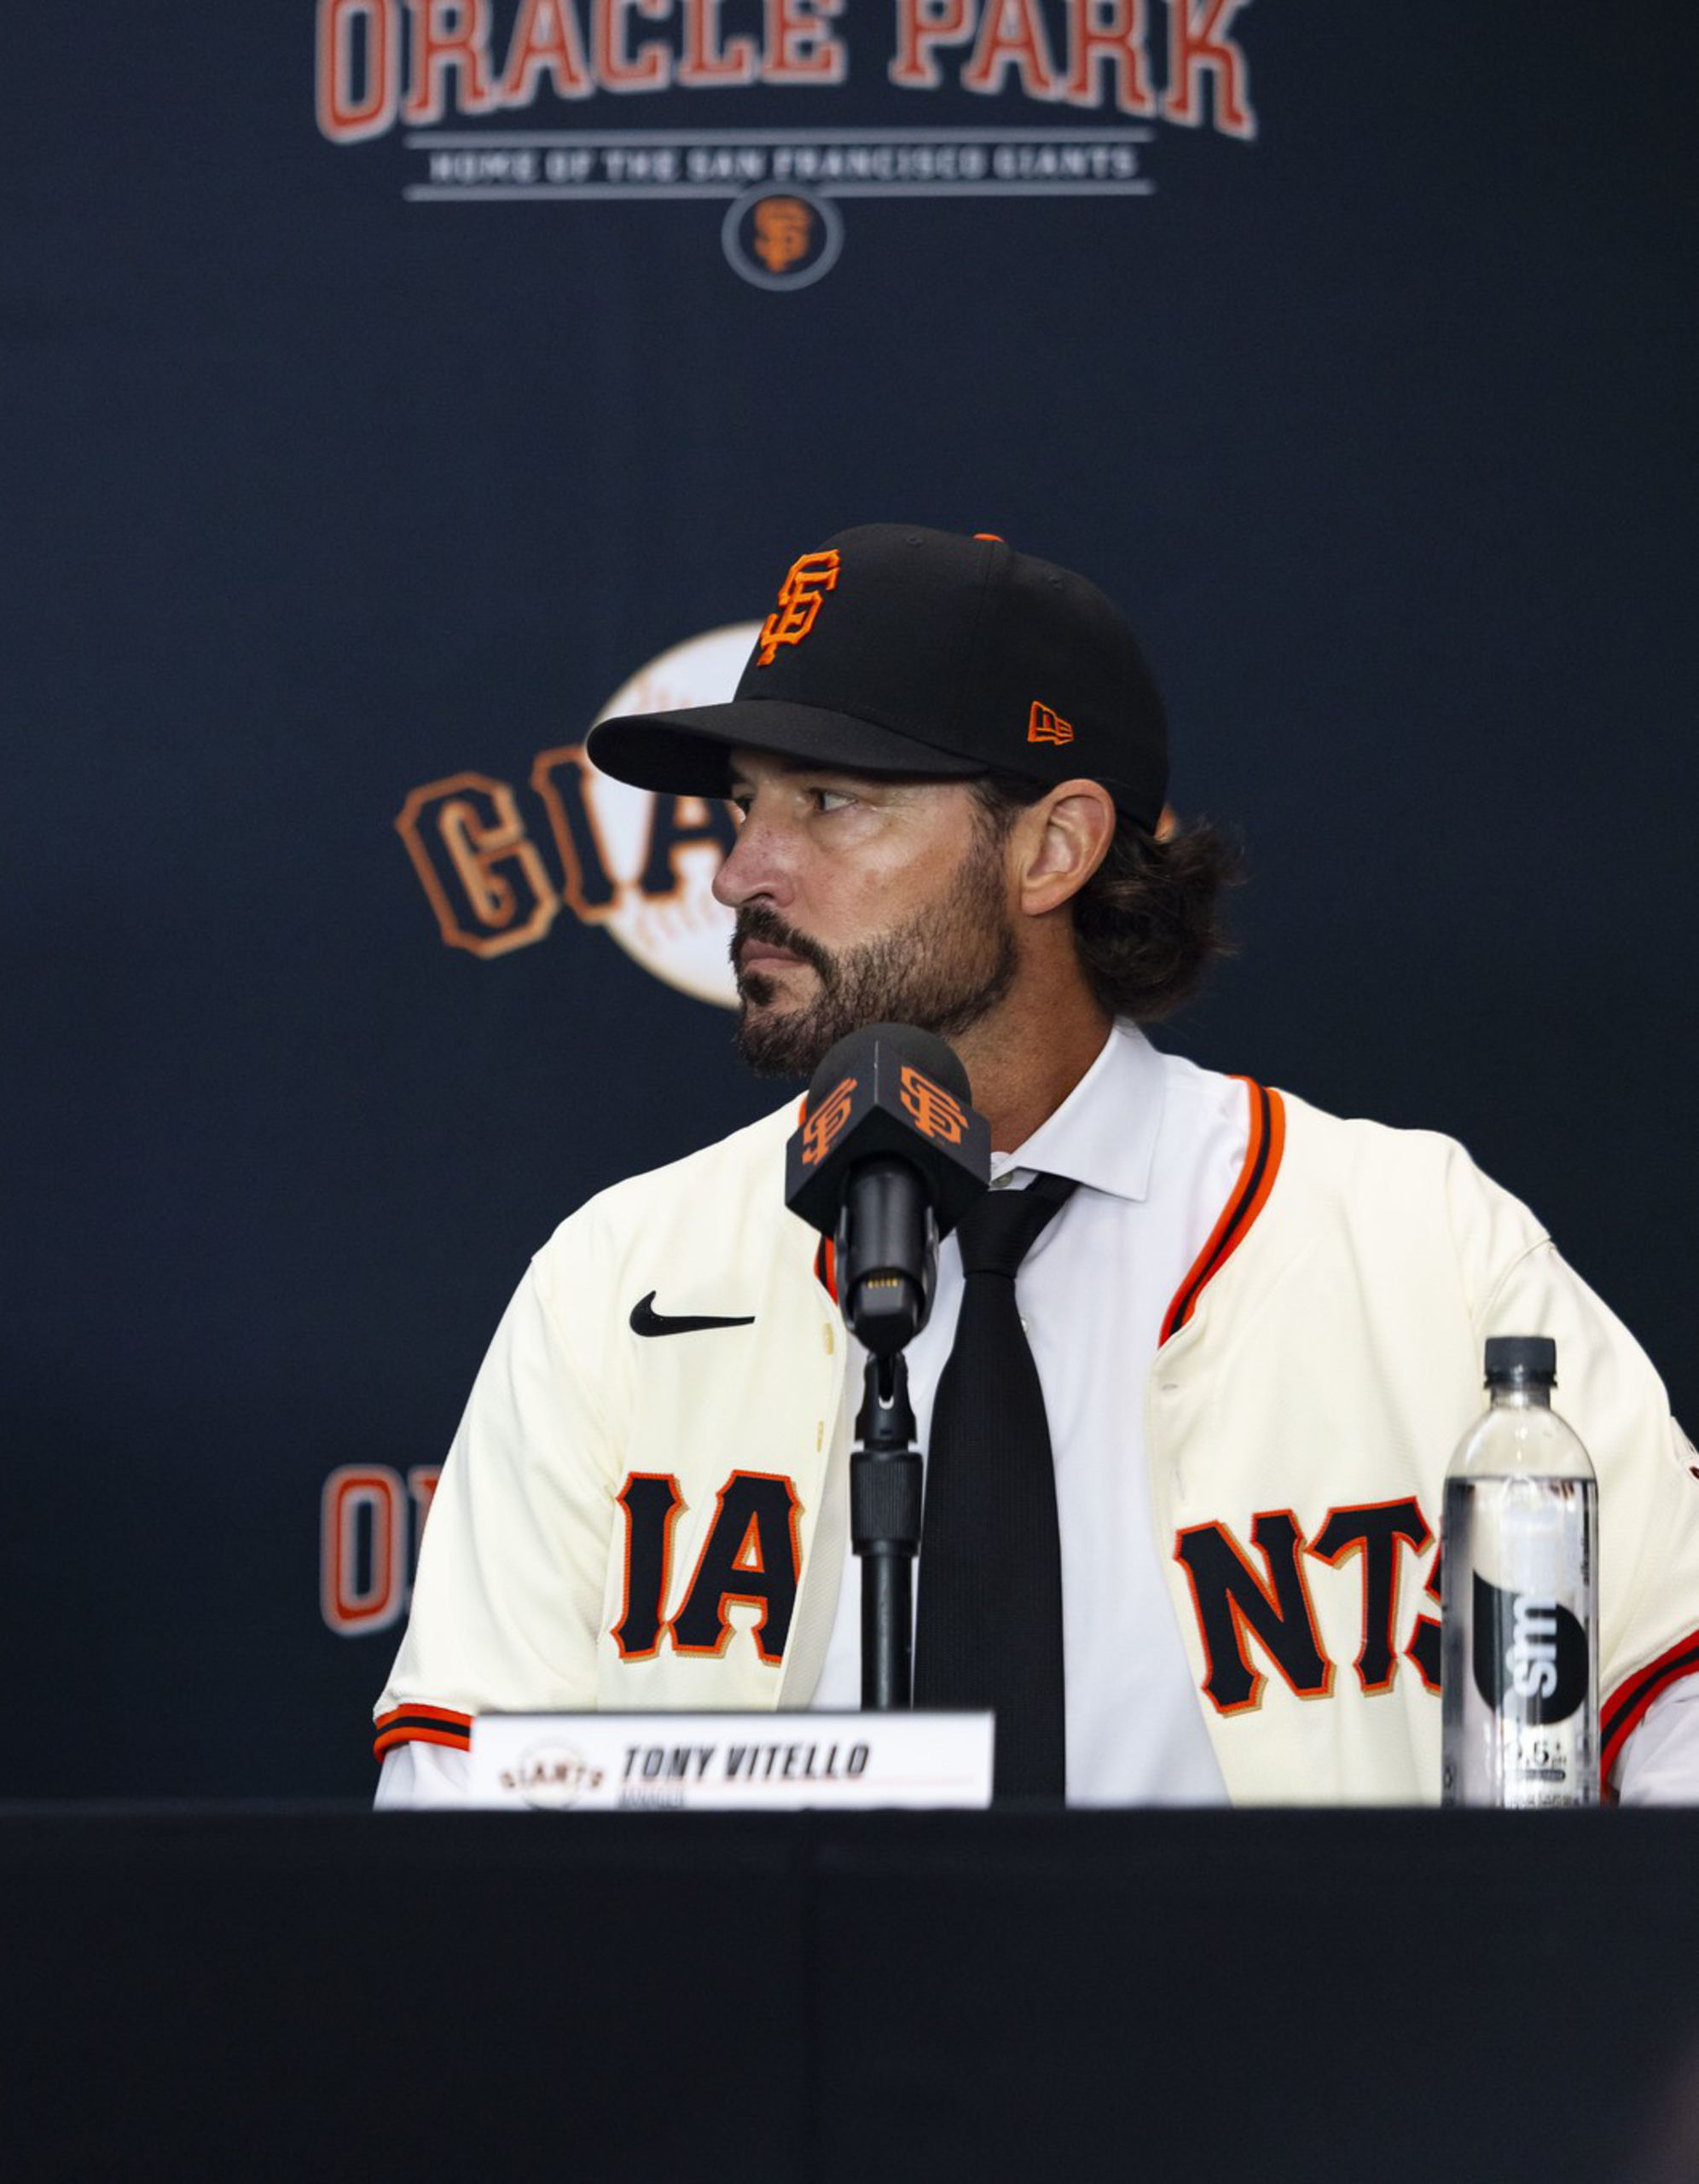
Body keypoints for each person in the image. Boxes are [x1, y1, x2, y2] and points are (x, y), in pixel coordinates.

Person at [373, 524, 1699, 1805]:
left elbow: (1679, 1696)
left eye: (832, 803)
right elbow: (465, 1816)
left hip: (1288, 2032)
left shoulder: (1418, 1246)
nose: (739, 874)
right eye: (744, 807)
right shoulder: (620, 1278)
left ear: (1052, 848)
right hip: (771, 2033)